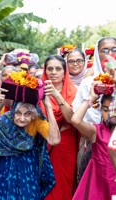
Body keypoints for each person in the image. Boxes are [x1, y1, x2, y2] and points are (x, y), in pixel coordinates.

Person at [0, 80, 61, 200]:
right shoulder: (4, 121)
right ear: (13, 112)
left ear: (33, 115)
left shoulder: (36, 123)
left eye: (27, 114)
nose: (22, 118)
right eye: (18, 113)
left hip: (27, 176)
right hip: (3, 176)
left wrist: (48, 107)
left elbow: (54, 140)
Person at [72, 36, 116, 184]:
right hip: (93, 142)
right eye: (104, 50)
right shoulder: (88, 83)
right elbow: (78, 116)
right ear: (97, 55)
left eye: (114, 49)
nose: (110, 53)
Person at [39, 55, 78, 200]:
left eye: (58, 69)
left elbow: (71, 119)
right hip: (43, 142)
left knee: (65, 182)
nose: (53, 72)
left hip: (66, 145)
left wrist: (56, 94)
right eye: (50, 69)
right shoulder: (37, 91)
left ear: (64, 72)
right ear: (45, 71)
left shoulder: (73, 92)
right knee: (45, 185)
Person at [71, 83, 116, 200]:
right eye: (105, 110)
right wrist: (90, 99)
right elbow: (75, 120)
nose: (109, 114)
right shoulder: (97, 131)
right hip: (99, 185)